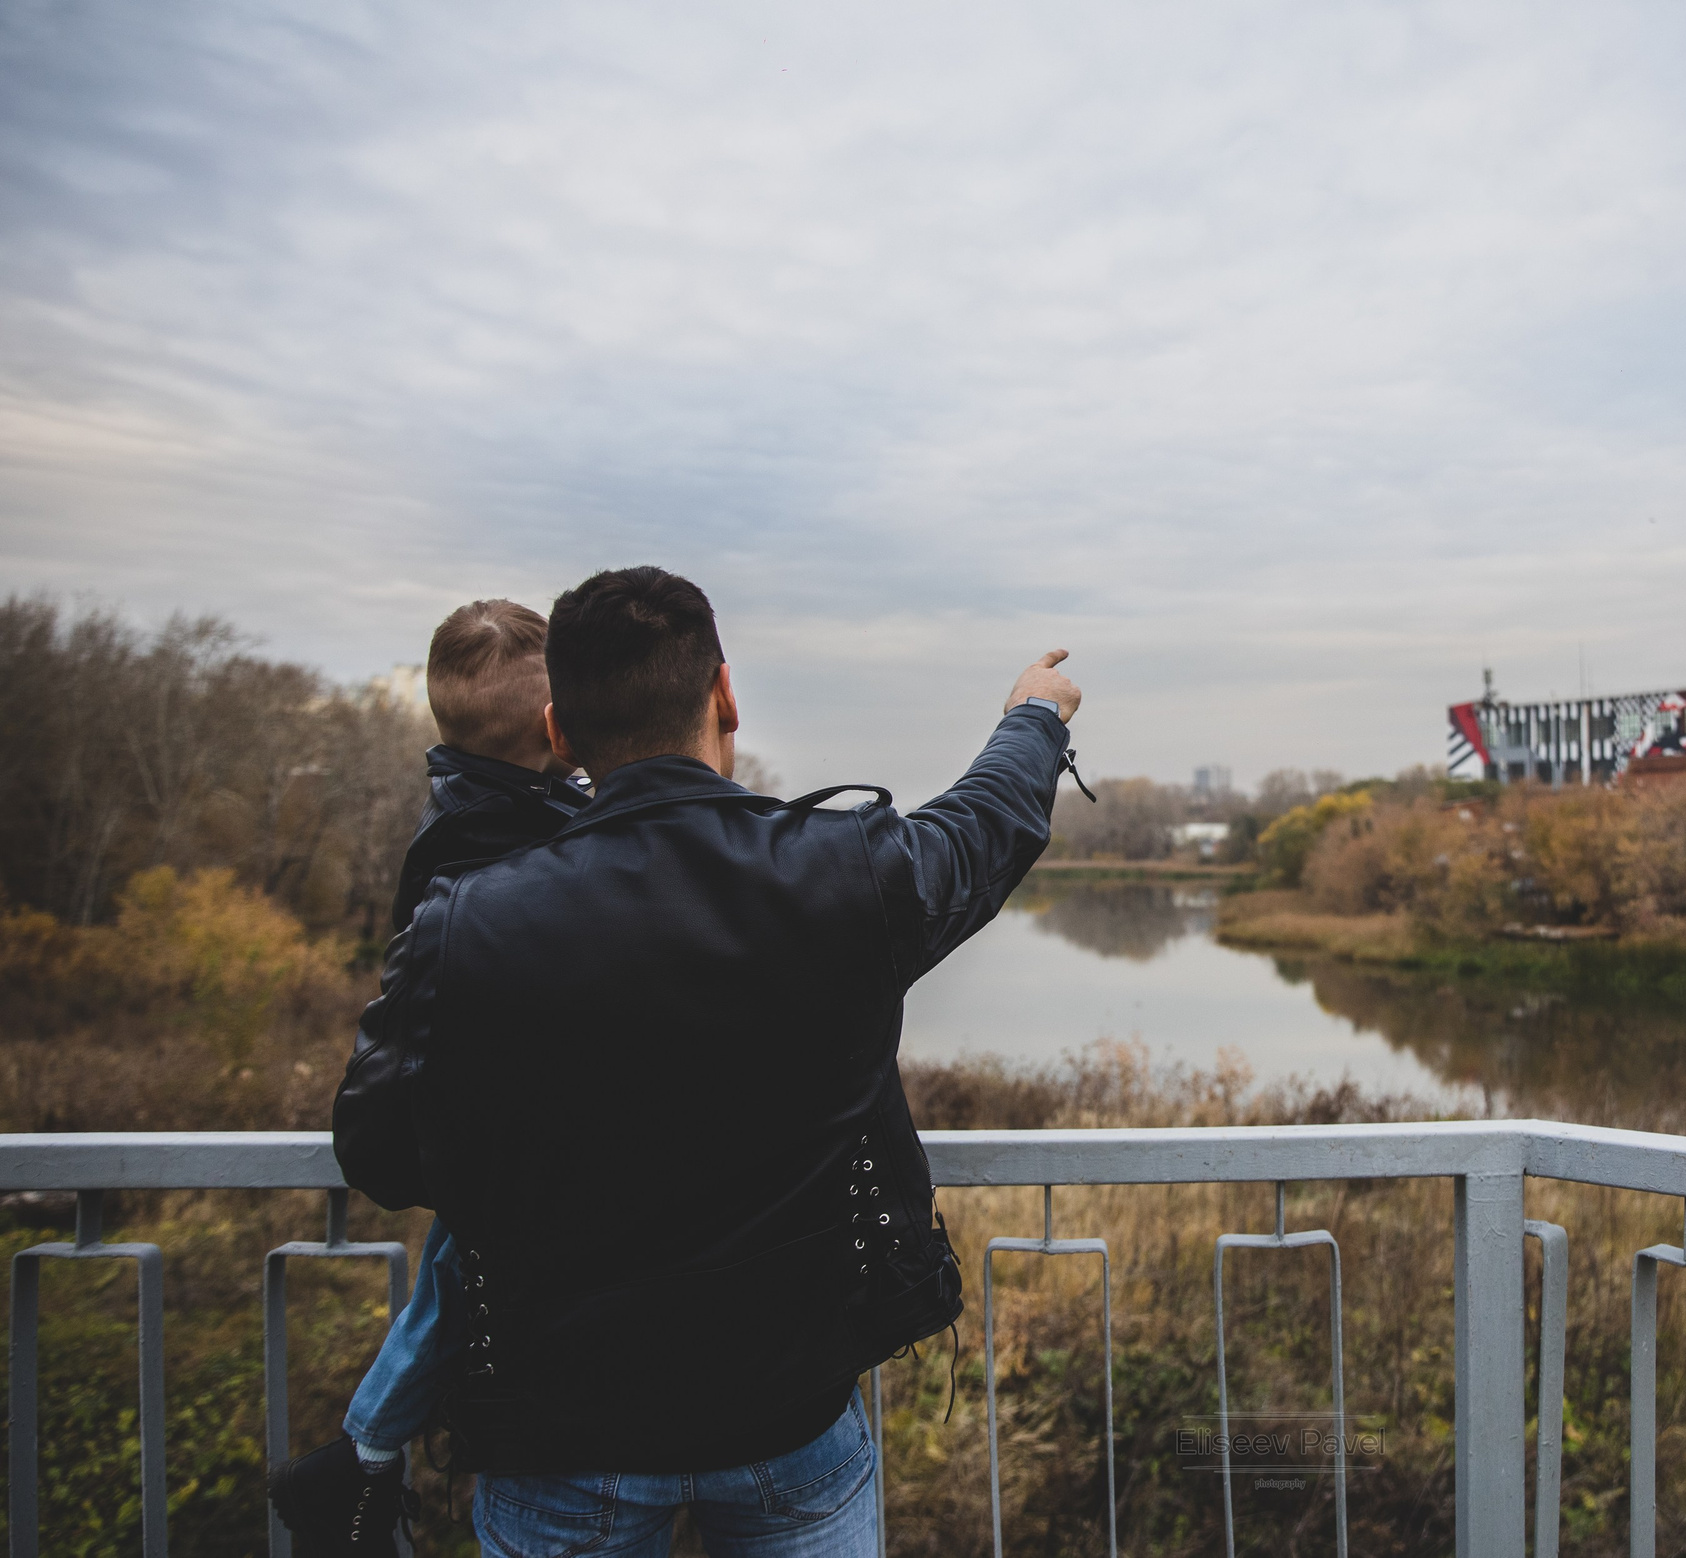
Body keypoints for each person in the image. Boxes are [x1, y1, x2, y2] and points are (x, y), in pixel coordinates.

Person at [331, 566, 1081, 1557]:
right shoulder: (838, 872)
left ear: (561, 732)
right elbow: (980, 830)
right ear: (724, 694)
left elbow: (381, 1153)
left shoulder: (462, 920)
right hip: (790, 1421)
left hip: (560, 1434)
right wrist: (1033, 717)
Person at [270, 599, 594, 1556]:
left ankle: (366, 1453)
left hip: (491, 1118)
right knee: (464, 1263)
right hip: (507, 1121)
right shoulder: (495, 833)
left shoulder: (473, 804)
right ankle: (366, 1450)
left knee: (463, 1260)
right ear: (556, 723)